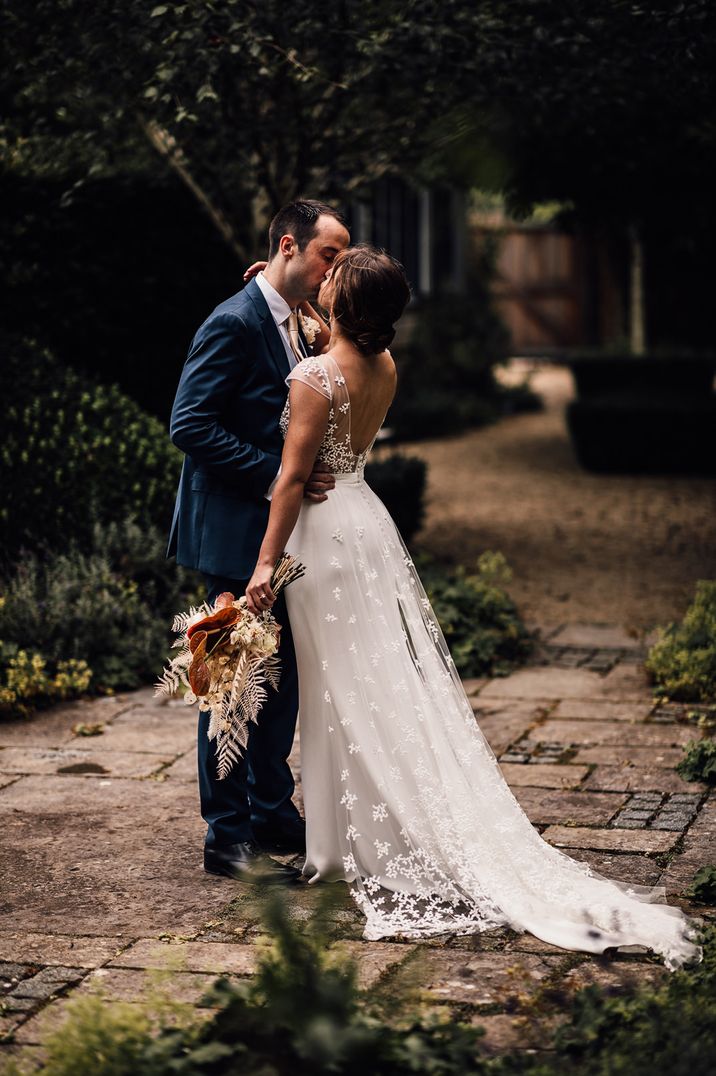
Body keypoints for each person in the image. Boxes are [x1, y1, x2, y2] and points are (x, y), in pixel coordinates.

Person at [244, 243, 700, 969]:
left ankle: (338, 846)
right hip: (365, 524)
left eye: (331, 280)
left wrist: (265, 564)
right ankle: (338, 840)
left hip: (320, 543)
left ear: (345, 306)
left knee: (340, 693)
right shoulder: (380, 366)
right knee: (367, 682)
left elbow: (293, 478)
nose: (322, 279)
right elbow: (335, 375)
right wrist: (298, 307)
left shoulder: (311, 378)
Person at [168, 200, 350, 884]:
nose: (336, 266)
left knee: (282, 684)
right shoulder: (233, 321)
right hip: (233, 533)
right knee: (231, 685)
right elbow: (189, 424)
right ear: (288, 245)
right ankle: (226, 839)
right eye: (329, 253)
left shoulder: (296, 320)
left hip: (278, 537)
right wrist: (283, 478)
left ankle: (272, 810)